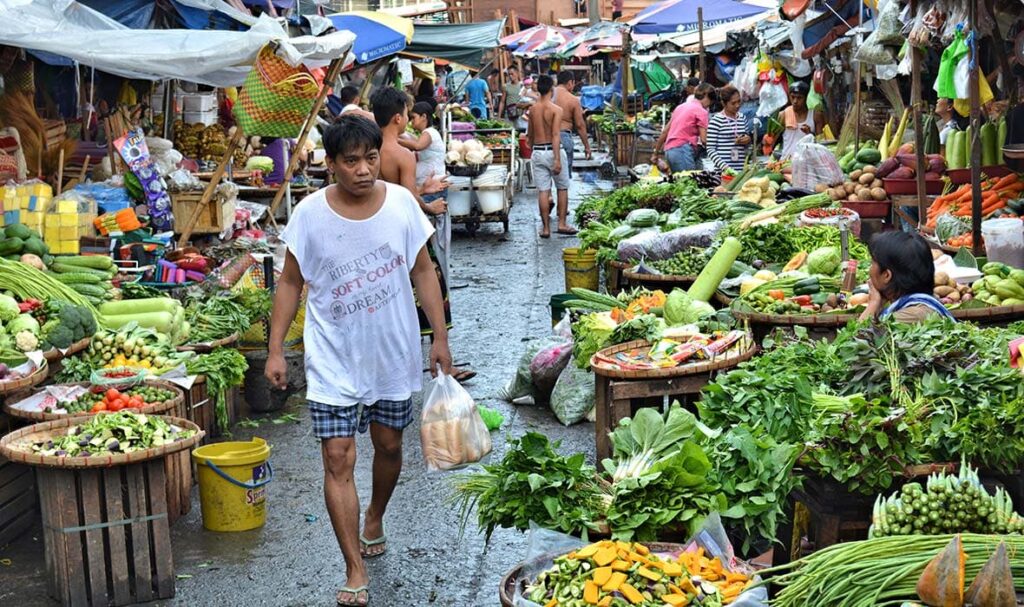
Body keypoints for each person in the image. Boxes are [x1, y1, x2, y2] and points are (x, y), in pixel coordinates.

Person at [265, 114, 453, 607]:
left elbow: (423, 270)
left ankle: (375, 514)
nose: (365, 170)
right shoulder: (308, 215)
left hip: (391, 353)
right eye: (352, 162)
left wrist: (440, 337)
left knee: (390, 447)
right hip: (332, 358)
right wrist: (275, 348)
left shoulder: (402, 206)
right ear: (331, 165)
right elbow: (290, 282)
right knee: (337, 457)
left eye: (371, 159)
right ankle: (353, 566)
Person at [399, 102, 451, 287]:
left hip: (433, 189)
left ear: (424, 117)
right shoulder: (425, 133)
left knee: (429, 235)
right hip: (426, 189)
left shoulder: (430, 133)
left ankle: (435, 276)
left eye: (414, 117)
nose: (412, 121)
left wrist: (391, 139)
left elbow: (418, 146)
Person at [859, 231, 955, 323]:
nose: (869, 271)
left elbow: (857, 338)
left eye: (872, 263)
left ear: (886, 275)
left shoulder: (912, 316)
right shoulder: (917, 308)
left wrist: (873, 304)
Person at [528, 75, 576, 238]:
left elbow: (530, 135)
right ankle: (562, 223)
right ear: (551, 89)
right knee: (562, 188)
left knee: (543, 190)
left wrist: (533, 147)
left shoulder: (533, 109)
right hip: (553, 150)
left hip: (538, 151)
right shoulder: (556, 110)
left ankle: (546, 228)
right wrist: (556, 158)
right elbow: (556, 135)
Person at [651, 83, 714, 173]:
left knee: (680, 182)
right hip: (682, 150)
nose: (709, 106)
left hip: (669, 150)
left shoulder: (680, 107)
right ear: (707, 97)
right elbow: (704, 140)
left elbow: (665, 131)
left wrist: (655, 153)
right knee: (689, 181)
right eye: (711, 102)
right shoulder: (702, 111)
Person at [553, 70, 593, 177]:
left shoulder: (548, 95)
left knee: (547, 181)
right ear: (570, 82)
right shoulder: (573, 100)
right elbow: (580, 125)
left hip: (547, 138)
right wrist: (587, 147)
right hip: (564, 137)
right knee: (563, 182)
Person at [705, 85, 753, 172]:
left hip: (740, 171)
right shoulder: (716, 120)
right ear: (724, 103)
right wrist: (726, 168)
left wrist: (748, 140)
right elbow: (710, 149)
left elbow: (748, 146)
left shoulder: (742, 118)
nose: (737, 105)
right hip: (723, 172)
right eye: (733, 103)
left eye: (739, 101)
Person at [778, 81, 824, 159]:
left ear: (806, 98)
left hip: (808, 161)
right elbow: (772, 139)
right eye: (792, 97)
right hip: (786, 161)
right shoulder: (783, 115)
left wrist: (810, 134)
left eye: (799, 98)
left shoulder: (816, 115)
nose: (795, 101)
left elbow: (821, 143)